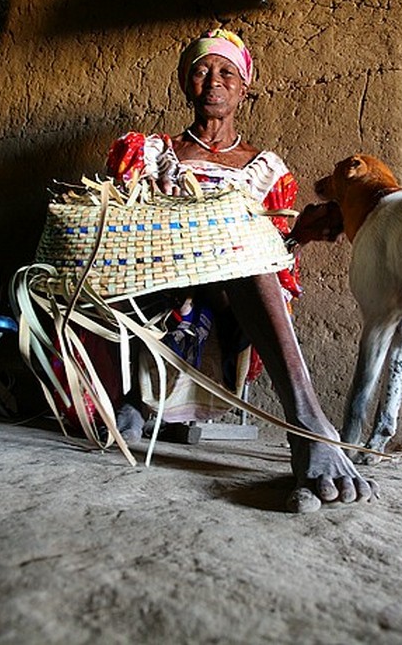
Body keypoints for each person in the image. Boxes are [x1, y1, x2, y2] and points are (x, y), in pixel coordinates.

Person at [105, 29, 376, 512]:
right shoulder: (153, 154)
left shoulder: (266, 169)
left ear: (244, 87)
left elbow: (274, 257)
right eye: (202, 71)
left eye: (226, 72)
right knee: (231, 256)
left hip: (232, 299)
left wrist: (300, 235)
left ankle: (308, 424)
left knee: (243, 252)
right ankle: (310, 426)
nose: (214, 81)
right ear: (186, 84)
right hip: (162, 286)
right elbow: (122, 229)